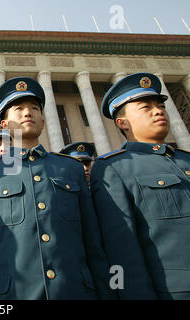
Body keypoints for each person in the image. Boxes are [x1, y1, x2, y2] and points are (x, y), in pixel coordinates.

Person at [0, 77, 115, 300]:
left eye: (35, 108)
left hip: (75, 291)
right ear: (4, 125)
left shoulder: (70, 168)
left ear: (43, 121)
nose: (28, 113)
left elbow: (92, 241)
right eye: (19, 109)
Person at [90, 72, 190, 299]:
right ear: (122, 122)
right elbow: (120, 252)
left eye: (160, 106)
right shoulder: (114, 168)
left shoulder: (185, 160)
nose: (158, 111)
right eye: (146, 107)